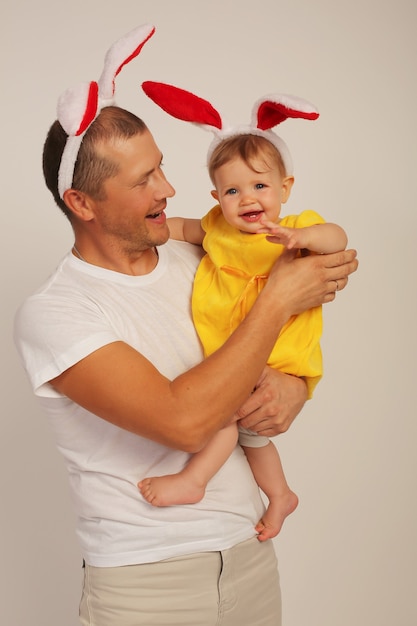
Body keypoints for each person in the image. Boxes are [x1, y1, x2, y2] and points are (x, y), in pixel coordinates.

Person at [13, 26, 358, 626]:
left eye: (162, 169)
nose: (169, 190)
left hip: (249, 556)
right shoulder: (56, 313)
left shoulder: (205, 256)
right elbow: (185, 421)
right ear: (82, 203)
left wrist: (293, 390)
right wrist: (280, 296)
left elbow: (273, 347)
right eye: (142, 180)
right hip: (148, 583)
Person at [138, 123, 347, 541]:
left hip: (278, 356)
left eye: (260, 185)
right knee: (248, 438)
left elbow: (337, 238)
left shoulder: (296, 229)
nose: (247, 198)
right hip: (237, 353)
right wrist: (150, 234)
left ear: (285, 188)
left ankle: (193, 480)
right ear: (217, 198)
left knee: (222, 422)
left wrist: (302, 237)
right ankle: (281, 494)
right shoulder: (218, 229)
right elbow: (181, 228)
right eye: (232, 191)